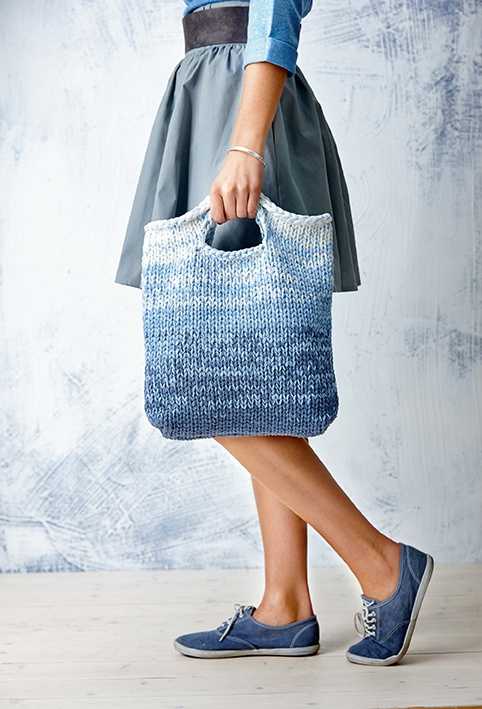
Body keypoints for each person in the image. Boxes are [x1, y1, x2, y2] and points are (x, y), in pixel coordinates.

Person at [114, 0, 434, 666]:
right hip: (216, 94)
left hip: (241, 100)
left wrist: (244, 141)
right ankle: (284, 605)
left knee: (204, 369)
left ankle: (382, 563)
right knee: (255, 370)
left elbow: (274, 7)